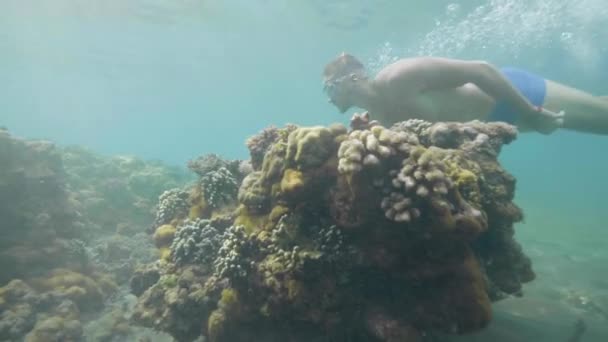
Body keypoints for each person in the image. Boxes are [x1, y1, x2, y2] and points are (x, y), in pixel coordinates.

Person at [322, 53, 608, 135]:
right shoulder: (377, 120)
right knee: (598, 116)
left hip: (517, 95)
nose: (328, 96)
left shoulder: (398, 76)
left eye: (329, 87)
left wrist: (529, 111)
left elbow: (481, 70)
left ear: (351, 79)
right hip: (502, 121)